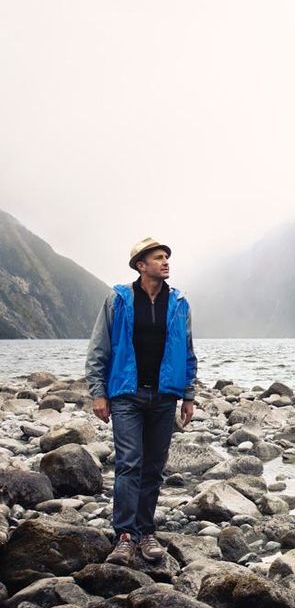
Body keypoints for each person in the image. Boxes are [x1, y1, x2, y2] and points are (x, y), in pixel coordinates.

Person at [85, 237, 197, 566]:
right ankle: (124, 535)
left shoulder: (179, 303)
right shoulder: (119, 299)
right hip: (126, 395)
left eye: (166, 257)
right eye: (158, 257)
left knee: (154, 468)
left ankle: (145, 531)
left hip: (164, 397)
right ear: (141, 265)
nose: (165, 262)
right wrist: (98, 392)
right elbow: (99, 347)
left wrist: (188, 395)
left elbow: (187, 352)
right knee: (129, 463)